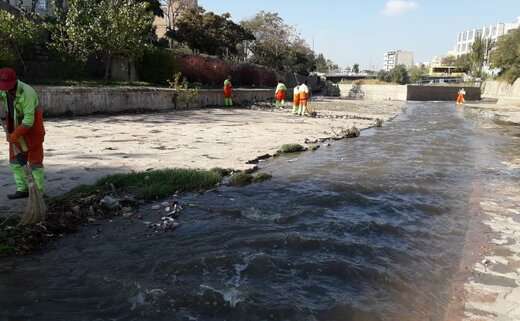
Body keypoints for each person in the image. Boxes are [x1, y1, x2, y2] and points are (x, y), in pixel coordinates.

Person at [0, 68, 45, 200]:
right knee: (15, 161)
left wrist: (14, 135)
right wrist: (13, 134)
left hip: (32, 131)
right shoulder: (3, 91)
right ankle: (23, 189)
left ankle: (37, 191)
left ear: (15, 81)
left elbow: (28, 121)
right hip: (13, 127)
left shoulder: (27, 93)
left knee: (35, 162)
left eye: (8, 86)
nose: (6, 89)